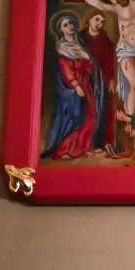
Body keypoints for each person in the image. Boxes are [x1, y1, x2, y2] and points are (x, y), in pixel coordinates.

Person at [42, 12, 105, 160]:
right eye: (65, 25)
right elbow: (66, 69)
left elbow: (89, 68)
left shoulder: (79, 44)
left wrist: (88, 58)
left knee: (90, 114)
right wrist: (76, 86)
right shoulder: (62, 47)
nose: (69, 26)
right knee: (75, 116)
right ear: (61, 30)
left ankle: (83, 147)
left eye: (70, 23)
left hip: (85, 83)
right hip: (71, 87)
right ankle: (65, 150)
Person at [82, 11, 122, 156]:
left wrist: (111, 80)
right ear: (89, 19)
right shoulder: (80, 38)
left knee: (100, 111)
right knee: (85, 111)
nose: (99, 23)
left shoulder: (106, 41)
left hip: (101, 82)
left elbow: (110, 64)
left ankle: (97, 143)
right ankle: (83, 145)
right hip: (84, 79)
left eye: (102, 22)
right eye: (97, 19)